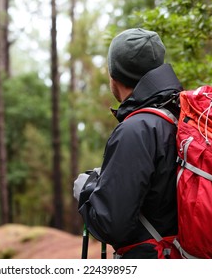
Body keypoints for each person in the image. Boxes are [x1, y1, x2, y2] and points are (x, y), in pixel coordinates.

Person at [73, 28, 183, 259]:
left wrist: (85, 190)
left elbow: (111, 226)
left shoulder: (137, 130)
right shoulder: (182, 115)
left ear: (115, 74)